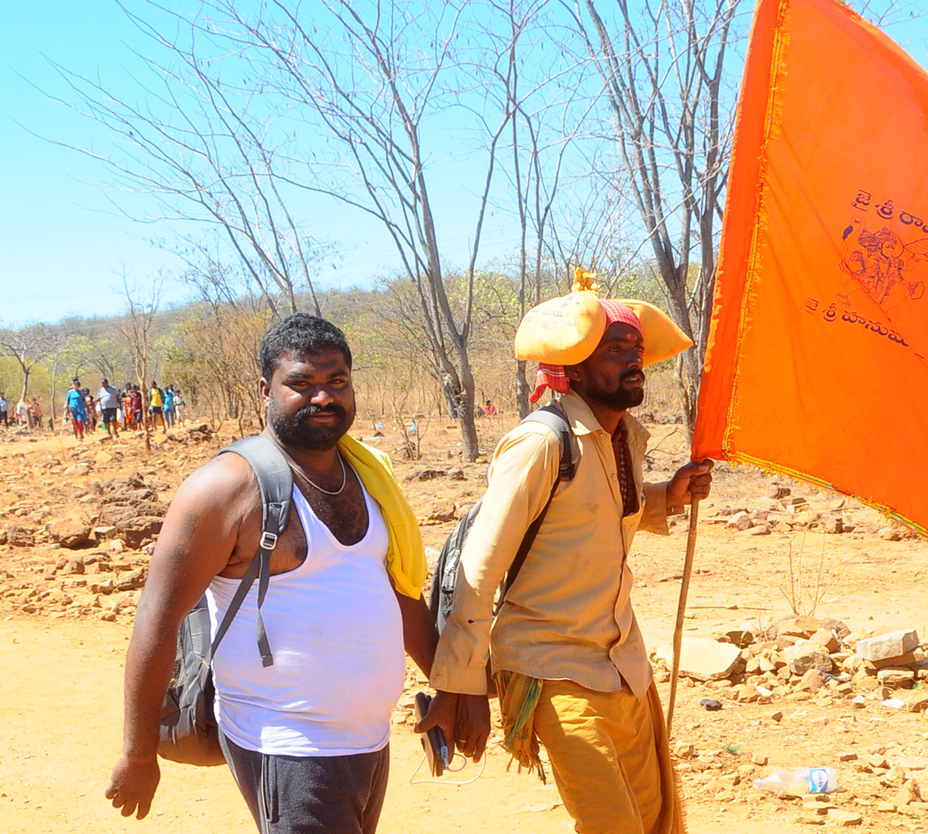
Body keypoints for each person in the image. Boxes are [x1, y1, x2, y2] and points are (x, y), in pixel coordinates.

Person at [107, 313, 451, 833]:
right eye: (302, 383)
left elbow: (395, 593)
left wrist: (448, 686)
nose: (323, 397)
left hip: (367, 739)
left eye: (337, 382)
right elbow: (155, 619)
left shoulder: (366, 474)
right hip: (287, 745)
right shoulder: (226, 490)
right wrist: (138, 753)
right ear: (265, 389)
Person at [422, 273, 712, 834]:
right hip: (554, 669)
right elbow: (480, 570)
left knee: (658, 822)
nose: (634, 360)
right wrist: (461, 689)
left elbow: (596, 517)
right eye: (614, 349)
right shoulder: (540, 444)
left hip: (624, 665)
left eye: (636, 348)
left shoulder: (624, 437)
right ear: (574, 369)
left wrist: (666, 498)